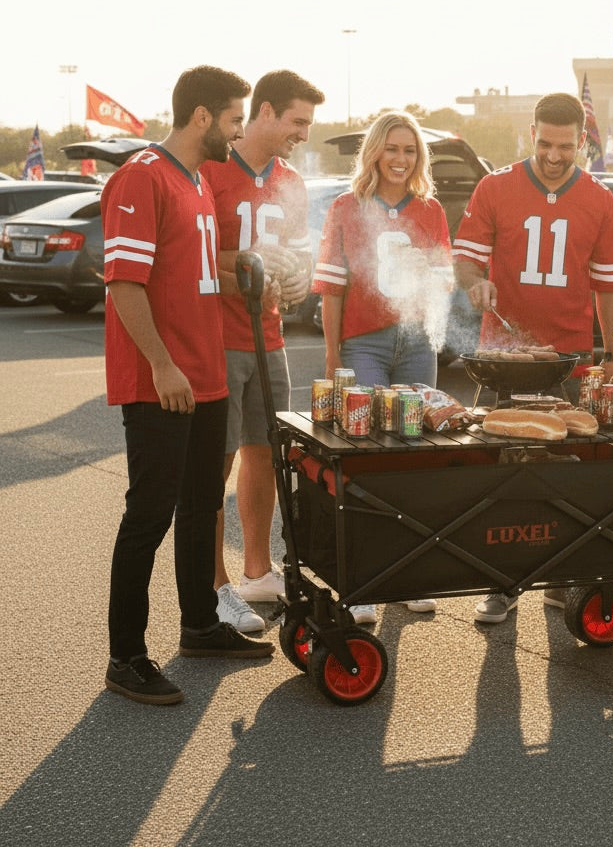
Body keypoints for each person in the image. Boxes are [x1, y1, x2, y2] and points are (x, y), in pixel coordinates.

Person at [102, 66, 274, 707]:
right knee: (147, 517)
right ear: (202, 117)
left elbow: (193, 275)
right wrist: (161, 365)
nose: (238, 131)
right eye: (234, 119)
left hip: (206, 374)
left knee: (203, 507)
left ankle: (201, 625)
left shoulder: (197, 179)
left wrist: (246, 276)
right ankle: (125, 657)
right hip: (163, 381)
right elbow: (124, 283)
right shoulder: (141, 175)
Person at [453, 92, 613, 624]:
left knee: (567, 477)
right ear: (532, 134)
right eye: (546, 144)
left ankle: (560, 577)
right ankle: (503, 582)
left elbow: (610, 285)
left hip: (569, 360)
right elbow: (465, 261)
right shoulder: (495, 185)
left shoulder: (599, 198)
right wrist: (476, 284)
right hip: (505, 357)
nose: (554, 156)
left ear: (583, 141)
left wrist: (612, 354)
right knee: (502, 475)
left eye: (566, 146)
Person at [312, 110, 454, 623]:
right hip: (363, 346)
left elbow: (442, 289)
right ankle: (366, 578)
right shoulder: (346, 208)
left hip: (416, 344)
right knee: (366, 455)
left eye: (410, 150)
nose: (400, 159)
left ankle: (408, 573)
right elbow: (330, 289)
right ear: (374, 151)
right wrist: (333, 357)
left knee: (414, 458)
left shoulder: (432, 210)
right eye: (392, 148)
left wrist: (430, 283)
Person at [201, 70, 324, 634]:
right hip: (217, 336)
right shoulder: (211, 166)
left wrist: (298, 281)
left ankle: (256, 568)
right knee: (215, 462)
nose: (303, 133)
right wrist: (247, 261)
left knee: (264, 452)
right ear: (266, 111)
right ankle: (215, 587)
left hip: (268, 335)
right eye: (297, 121)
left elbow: (297, 255)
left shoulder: (293, 180)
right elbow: (196, 252)